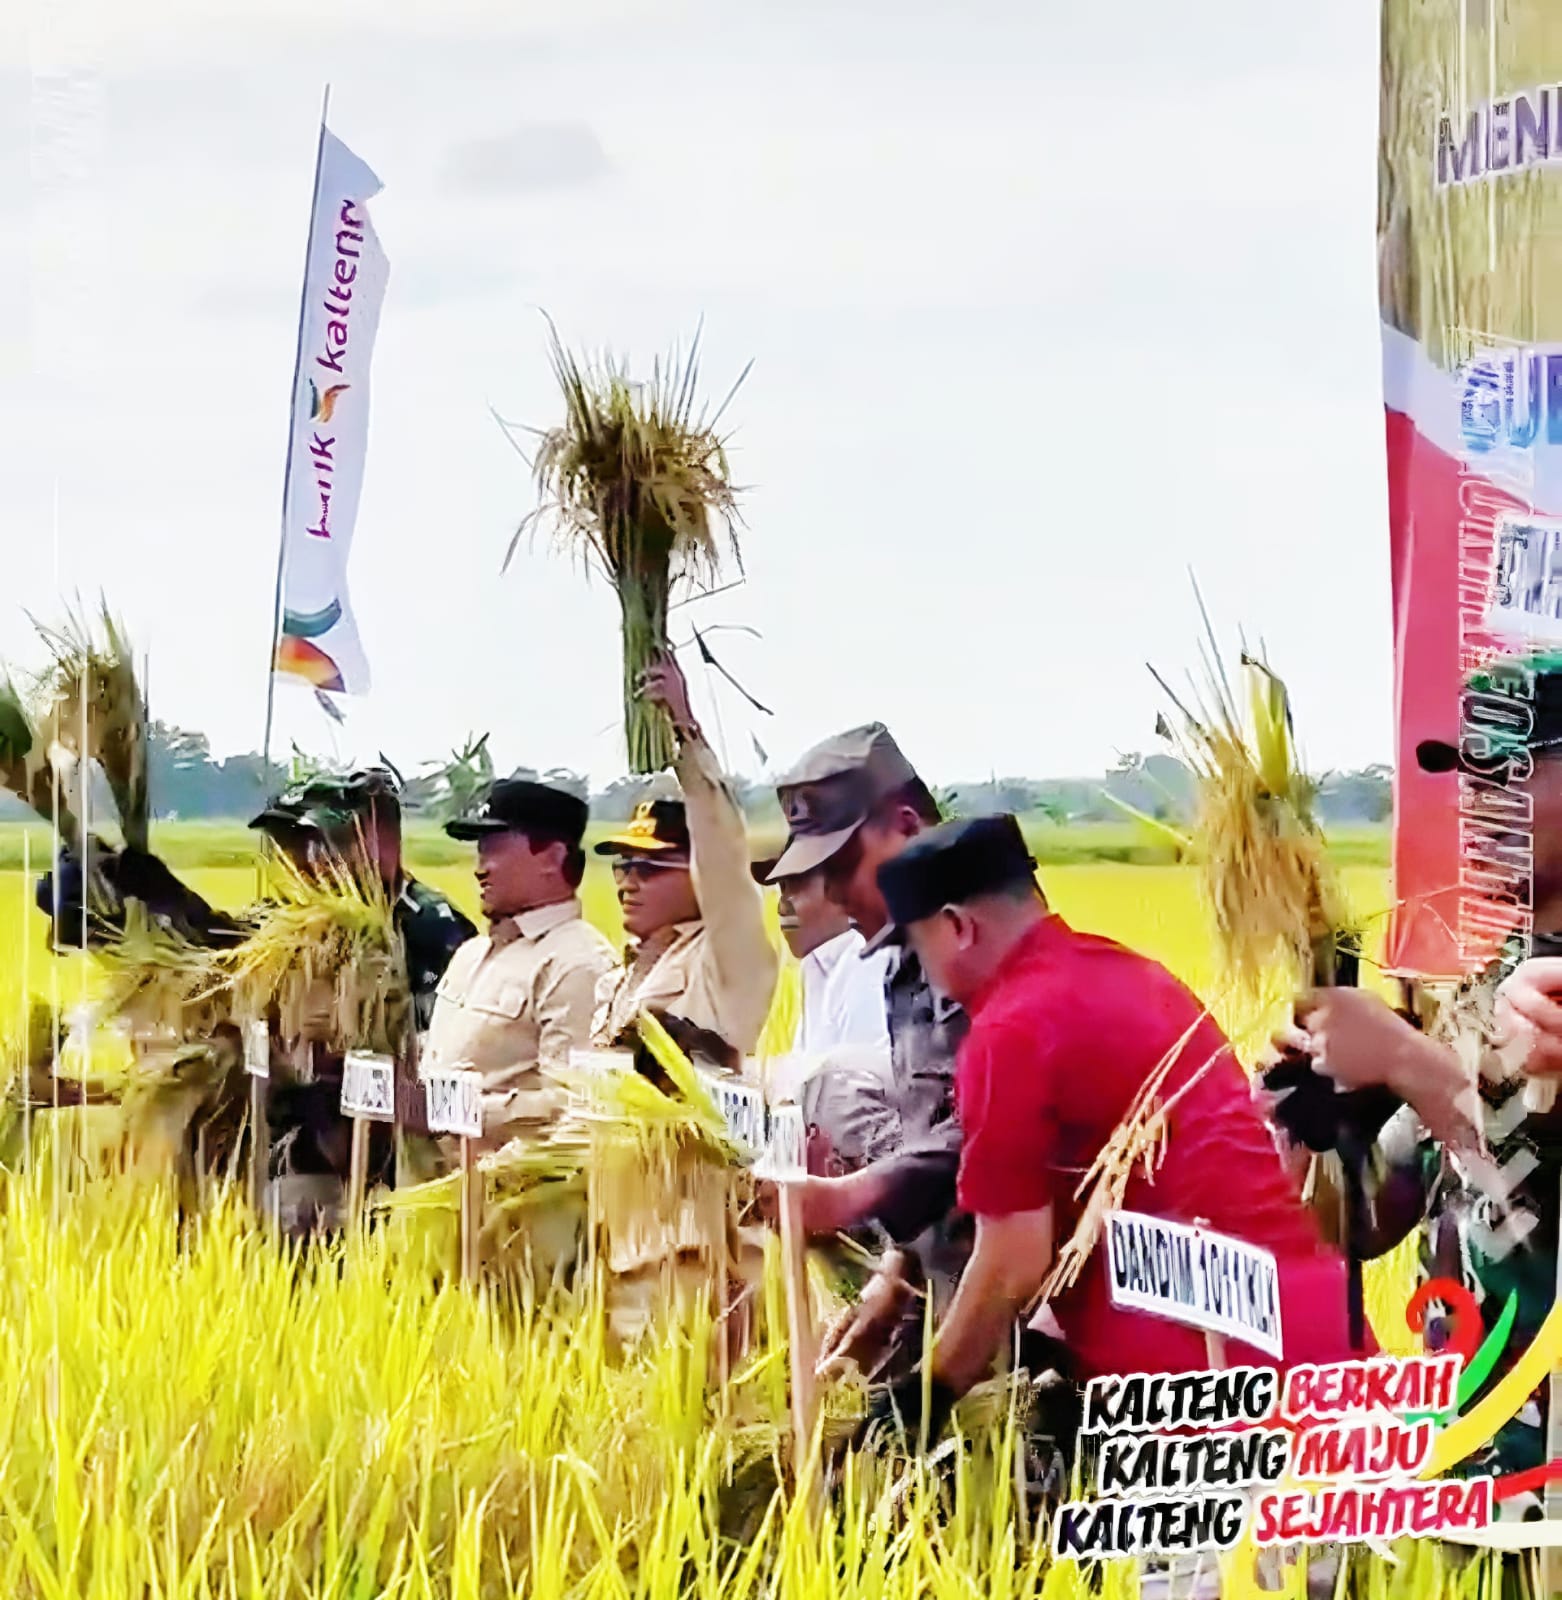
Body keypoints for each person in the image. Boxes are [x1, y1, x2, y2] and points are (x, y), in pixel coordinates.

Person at [847, 814, 1364, 1444]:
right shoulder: (1135, 975)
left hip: (1222, 1401)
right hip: (1334, 1350)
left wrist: (920, 1402)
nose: (923, 973)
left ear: (957, 927)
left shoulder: (1009, 1030)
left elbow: (1013, 1260)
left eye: (918, 947)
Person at [1266, 650, 1562, 1504]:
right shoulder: (1482, 984)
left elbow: (1537, 1199)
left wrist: (1403, 1061)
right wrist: (1324, 1114)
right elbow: (1373, 1219)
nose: (1478, 802)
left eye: (1508, 771)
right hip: (1474, 1451)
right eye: (1466, 777)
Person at [591, 654, 778, 1057]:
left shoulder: (725, 961)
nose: (628, 883)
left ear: (696, 872)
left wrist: (684, 725)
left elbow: (722, 857)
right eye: (623, 866)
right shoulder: (620, 976)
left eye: (649, 868)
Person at [423, 778, 616, 1153]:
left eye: (494, 848)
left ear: (551, 858)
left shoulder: (578, 964)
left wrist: (444, 1110)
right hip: (436, 1193)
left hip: (507, 1199)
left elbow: (571, 1106)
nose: (480, 867)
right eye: (479, 849)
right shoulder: (470, 954)